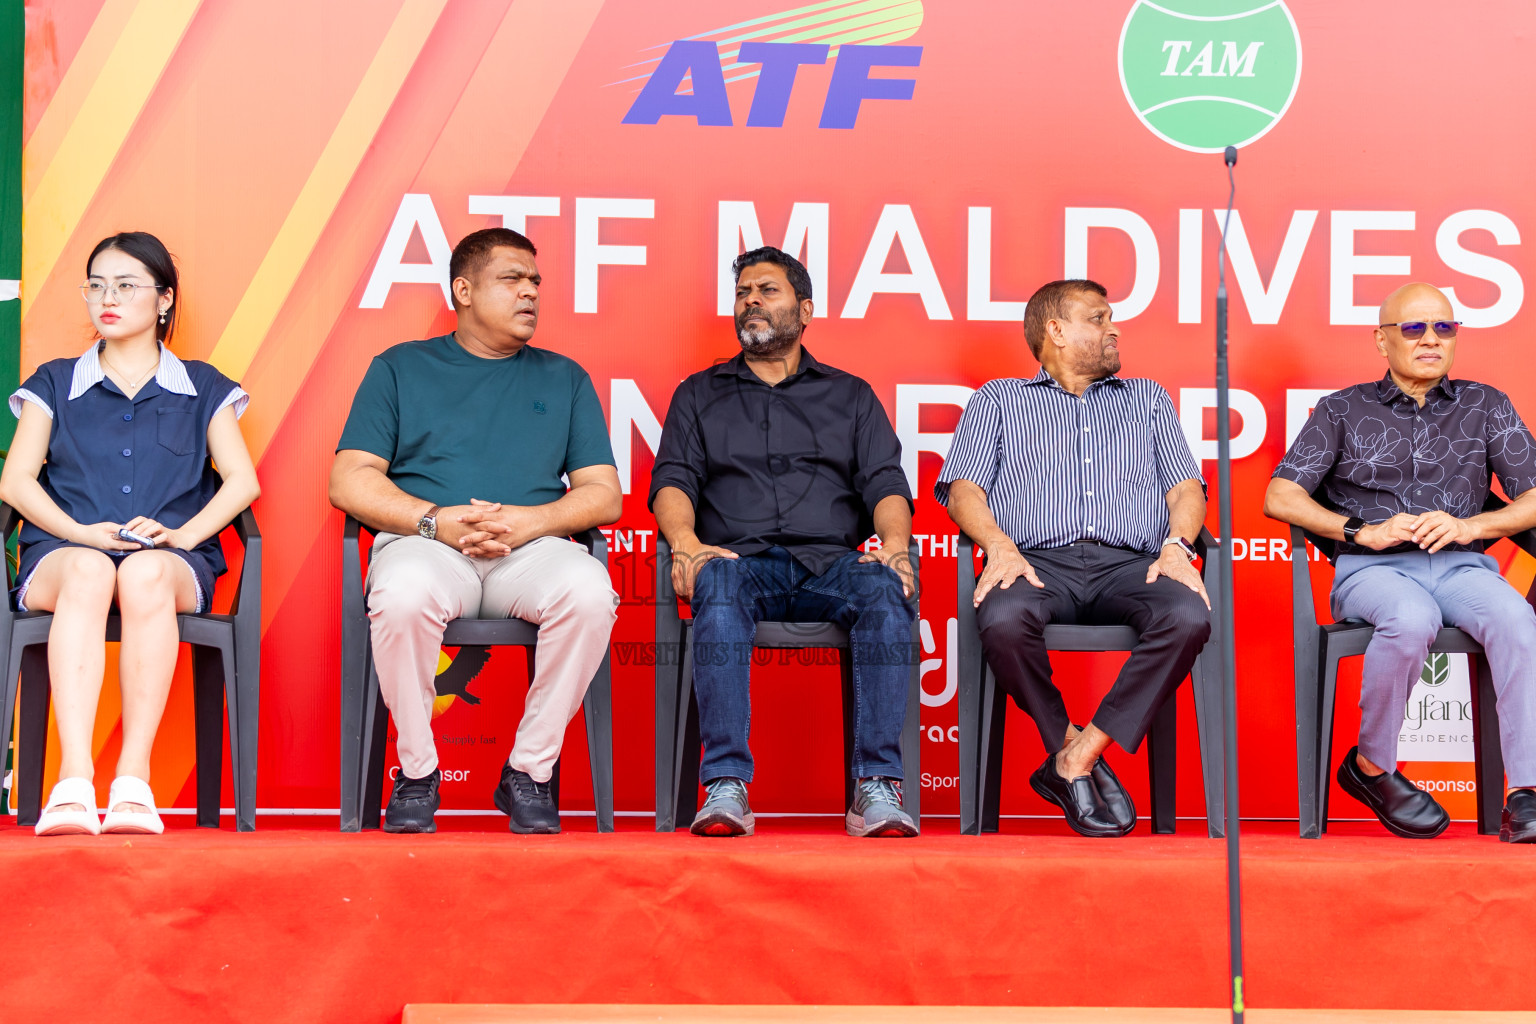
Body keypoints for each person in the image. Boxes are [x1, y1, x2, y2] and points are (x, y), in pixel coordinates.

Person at [329, 227, 620, 835]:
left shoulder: (563, 377)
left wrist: (529, 522)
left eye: (535, 282)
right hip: (430, 545)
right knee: (401, 593)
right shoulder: (401, 368)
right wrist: (437, 521)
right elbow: (350, 481)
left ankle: (528, 772)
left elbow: (603, 493)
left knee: (591, 591)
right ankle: (416, 772)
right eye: (512, 279)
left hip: (530, 552)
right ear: (463, 290)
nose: (530, 293)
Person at [650, 246, 918, 838]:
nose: (751, 300)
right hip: (740, 563)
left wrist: (894, 546)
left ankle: (875, 787)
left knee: (884, 588)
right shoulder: (699, 394)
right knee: (715, 580)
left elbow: (885, 482)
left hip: (834, 565)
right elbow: (673, 479)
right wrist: (687, 542)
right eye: (744, 291)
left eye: (767, 290)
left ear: (805, 308)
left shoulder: (850, 396)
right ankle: (725, 786)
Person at [0, 231, 260, 837]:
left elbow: (241, 483)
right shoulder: (55, 381)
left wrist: (181, 536)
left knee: (141, 573)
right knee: (91, 571)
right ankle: (73, 781)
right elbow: (16, 483)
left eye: (125, 285)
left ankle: (132, 783)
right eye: (96, 285)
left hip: (165, 563)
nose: (106, 298)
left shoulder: (203, 386)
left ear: (164, 300)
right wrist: (79, 534)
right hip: (63, 555)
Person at [937, 279, 1211, 837]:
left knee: (1188, 614)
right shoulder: (998, 400)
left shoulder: (1148, 399)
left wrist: (1179, 547)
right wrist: (999, 546)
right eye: (1098, 318)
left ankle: (1077, 759)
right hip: (1038, 563)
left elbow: (1186, 489)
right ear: (1056, 332)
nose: (1114, 328)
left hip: (1130, 564)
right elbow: (964, 491)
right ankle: (1069, 748)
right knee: (1003, 617)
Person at [1265, 282, 1536, 842]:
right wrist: (1361, 531)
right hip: (1375, 572)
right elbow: (1280, 496)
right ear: (1382, 341)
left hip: (1463, 568)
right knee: (1411, 620)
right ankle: (1371, 767)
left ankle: (1526, 793)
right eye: (1414, 328)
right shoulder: (1343, 408)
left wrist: (1473, 526)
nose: (1431, 339)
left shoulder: (1485, 404)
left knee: (1517, 622)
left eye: (1444, 327)